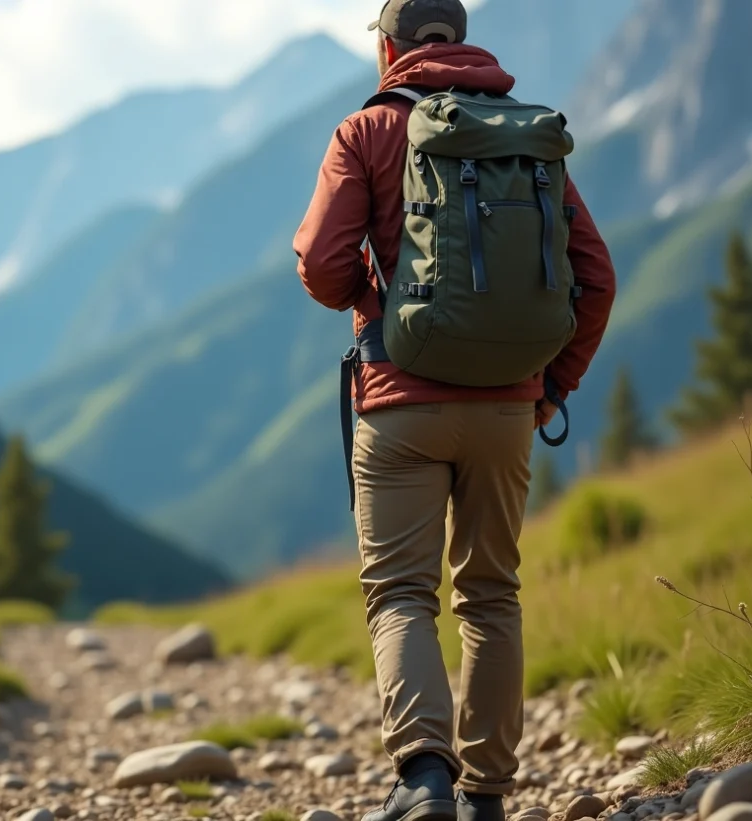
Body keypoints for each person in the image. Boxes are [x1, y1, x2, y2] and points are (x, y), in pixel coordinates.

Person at [293, 2, 617, 821]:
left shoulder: (365, 133)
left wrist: (383, 303)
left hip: (400, 401)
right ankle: (487, 795)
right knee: (492, 594)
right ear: (462, 42)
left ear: (386, 49)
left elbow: (323, 266)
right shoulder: (527, 134)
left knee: (402, 592)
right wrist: (551, 386)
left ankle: (423, 778)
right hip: (509, 407)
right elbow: (596, 278)